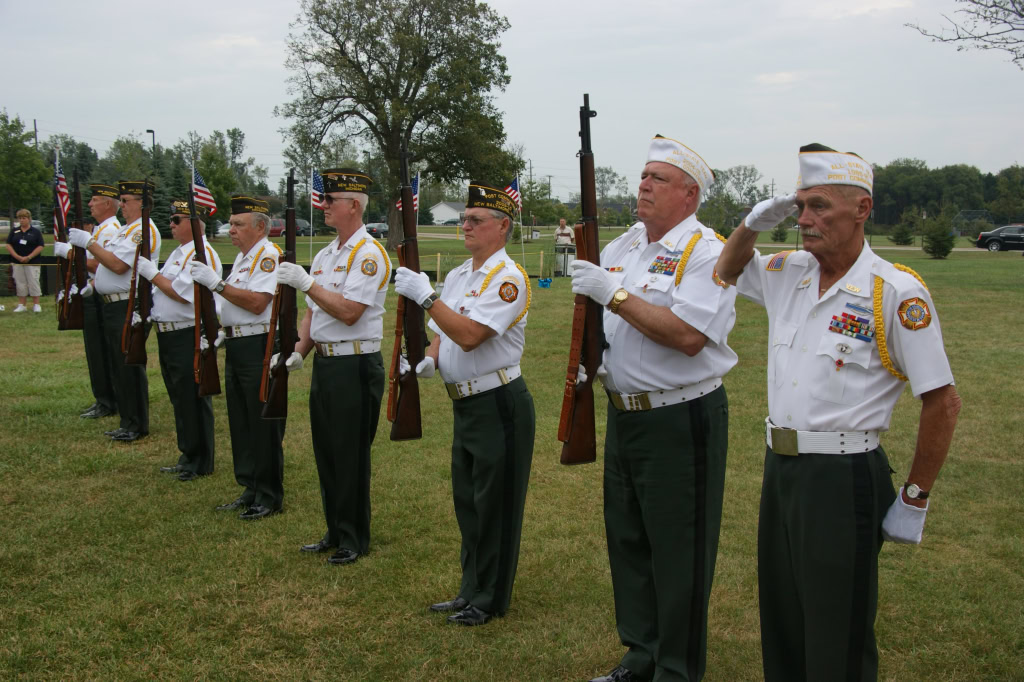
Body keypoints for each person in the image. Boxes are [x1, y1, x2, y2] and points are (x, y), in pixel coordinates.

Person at [714, 144, 961, 681]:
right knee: (783, 615)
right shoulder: (789, 272)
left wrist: (915, 498)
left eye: (820, 206)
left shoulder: (893, 291)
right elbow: (726, 269)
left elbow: (942, 400)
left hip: (842, 475)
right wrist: (752, 224)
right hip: (781, 469)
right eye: (800, 206)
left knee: (837, 630)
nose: (805, 220)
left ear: (861, 210)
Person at [570, 135, 737, 682]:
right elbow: (601, 324)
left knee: (679, 550)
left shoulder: (707, 253)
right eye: (643, 176)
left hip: (679, 418)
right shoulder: (625, 247)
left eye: (658, 179)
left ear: (689, 195)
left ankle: (677, 669)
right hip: (626, 414)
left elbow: (688, 336)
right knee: (629, 540)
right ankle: (640, 655)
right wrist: (590, 358)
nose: (643, 185)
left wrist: (612, 295)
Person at [394, 181, 535, 627]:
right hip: (466, 404)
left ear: (502, 226)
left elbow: (472, 336)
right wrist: (429, 359)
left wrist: (426, 298)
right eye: (464, 218)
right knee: (469, 501)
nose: (466, 225)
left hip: (498, 402)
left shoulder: (508, 278)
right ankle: (470, 588)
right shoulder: (459, 275)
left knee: (496, 504)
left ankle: (489, 598)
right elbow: (445, 333)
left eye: (476, 219)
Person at [274, 168, 391, 566]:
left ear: (354, 207)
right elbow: (313, 313)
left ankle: (354, 537)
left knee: (350, 452)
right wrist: (299, 352)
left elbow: (349, 312)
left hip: (355, 363)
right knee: (327, 450)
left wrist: (306, 284)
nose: (323, 205)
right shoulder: (327, 255)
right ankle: (335, 528)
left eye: (331, 200)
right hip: (326, 364)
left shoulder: (369, 254)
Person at [191, 195, 285, 520]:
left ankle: (269, 494)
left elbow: (258, 303)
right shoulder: (245, 259)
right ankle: (250, 486)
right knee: (241, 420)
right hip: (236, 345)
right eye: (230, 223)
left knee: (261, 421)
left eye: (238, 224)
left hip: (258, 346)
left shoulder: (267, 256)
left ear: (260, 227)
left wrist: (216, 284)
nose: (230, 229)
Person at [67, 180, 161, 442]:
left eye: (127, 200)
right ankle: (127, 419)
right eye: (122, 199)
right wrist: (94, 285)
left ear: (141, 203)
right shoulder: (127, 230)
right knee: (119, 365)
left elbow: (118, 266)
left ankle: (136, 423)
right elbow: (109, 268)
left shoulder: (142, 229)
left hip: (128, 304)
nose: (122, 205)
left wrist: (89, 243)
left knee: (129, 364)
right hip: (113, 303)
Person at [136, 200, 223, 482]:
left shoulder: (202, 253)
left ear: (195, 223)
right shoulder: (179, 252)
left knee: (193, 397)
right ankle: (188, 455)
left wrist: (151, 273)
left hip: (187, 332)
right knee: (179, 397)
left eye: (176, 219)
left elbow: (180, 293)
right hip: (169, 333)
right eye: (171, 220)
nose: (171, 225)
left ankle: (200, 460)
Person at [65, 185, 121, 419]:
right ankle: (102, 398)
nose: (90, 204)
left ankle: (108, 400)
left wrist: (69, 254)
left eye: (95, 200)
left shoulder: (110, 230)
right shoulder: (101, 230)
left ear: (108, 204)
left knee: (101, 350)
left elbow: (100, 265)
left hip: (99, 295)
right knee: (94, 350)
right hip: (91, 291)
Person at [6, 209, 44, 313]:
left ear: (29, 219)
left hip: (32, 262)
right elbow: (8, 244)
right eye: (20, 218)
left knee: (33, 281)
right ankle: (22, 305)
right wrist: (17, 256)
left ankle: (36, 304)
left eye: (24, 218)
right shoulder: (15, 231)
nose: (22, 220)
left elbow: (40, 246)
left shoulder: (35, 232)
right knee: (20, 283)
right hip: (17, 262)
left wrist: (29, 257)